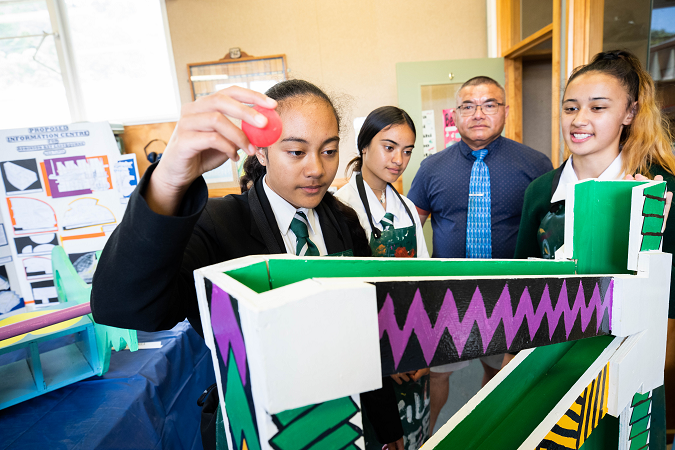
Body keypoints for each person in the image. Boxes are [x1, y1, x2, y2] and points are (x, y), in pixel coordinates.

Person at [90, 80, 404, 450]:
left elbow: (365, 329)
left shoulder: (343, 221)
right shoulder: (218, 226)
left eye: (329, 150)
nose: (316, 169)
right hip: (257, 427)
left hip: (348, 423)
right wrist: (170, 179)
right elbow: (125, 306)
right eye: (296, 152)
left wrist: (388, 426)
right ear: (262, 151)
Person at [511, 50, 675, 432]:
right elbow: (523, 278)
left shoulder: (658, 189)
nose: (579, 120)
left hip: (631, 356)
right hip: (553, 356)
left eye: (597, 108)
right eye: (570, 108)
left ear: (629, 113)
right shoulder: (540, 191)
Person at [406, 76, 553, 433]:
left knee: (498, 369)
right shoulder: (431, 168)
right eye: (468, 106)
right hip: (447, 291)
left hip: (507, 292)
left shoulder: (535, 164)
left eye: (489, 104)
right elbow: (411, 230)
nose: (478, 113)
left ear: (504, 110)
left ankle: (488, 429)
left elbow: (547, 231)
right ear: (455, 115)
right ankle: (428, 435)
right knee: (436, 372)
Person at [336, 106, 430, 449]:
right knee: (381, 435)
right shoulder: (340, 207)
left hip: (411, 335)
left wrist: (422, 348)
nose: (399, 159)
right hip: (368, 344)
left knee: (415, 432)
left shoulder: (405, 206)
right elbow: (344, 297)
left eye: (407, 151)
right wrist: (385, 358)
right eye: (389, 147)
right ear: (364, 147)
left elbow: (424, 277)